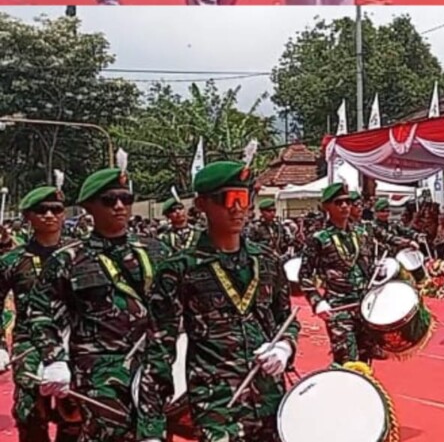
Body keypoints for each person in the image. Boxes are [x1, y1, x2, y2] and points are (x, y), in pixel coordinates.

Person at [136, 151, 299, 442]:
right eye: (227, 199)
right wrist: (151, 428)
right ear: (201, 205)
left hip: (270, 400)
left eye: (244, 198)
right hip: (216, 405)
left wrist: (285, 347)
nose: (238, 208)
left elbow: (286, 318)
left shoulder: (267, 261)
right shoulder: (180, 270)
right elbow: (160, 349)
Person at [26, 155, 168, 442]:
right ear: (88, 206)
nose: (119, 206)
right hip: (99, 373)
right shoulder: (68, 259)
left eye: (125, 199)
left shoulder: (158, 251)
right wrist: (54, 359)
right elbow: (41, 313)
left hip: (154, 367)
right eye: (109, 200)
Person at [0, 176, 78, 442]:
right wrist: (0, 344)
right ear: (27, 217)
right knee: (30, 413)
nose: (49, 215)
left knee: (75, 415)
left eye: (56, 209)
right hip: (29, 344)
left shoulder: (81, 254)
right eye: (41, 210)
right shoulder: (13, 260)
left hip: (74, 342)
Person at [297, 181, 376, 364]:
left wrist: (379, 272)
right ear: (326, 207)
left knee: (365, 360)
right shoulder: (319, 239)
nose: (344, 206)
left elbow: (367, 265)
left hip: (363, 305)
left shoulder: (361, 233)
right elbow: (304, 276)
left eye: (347, 202)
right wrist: (317, 302)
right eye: (338, 203)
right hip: (338, 307)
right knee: (347, 360)